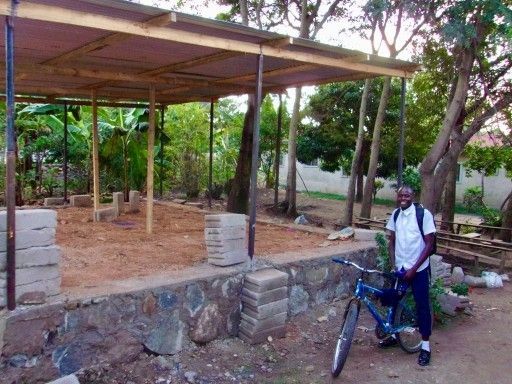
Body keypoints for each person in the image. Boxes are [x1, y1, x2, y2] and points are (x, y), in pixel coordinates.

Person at [382, 185, 436, 366]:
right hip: (401, 268)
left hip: (418, 270)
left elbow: (429, 244)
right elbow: (391, 240)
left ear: (412, 197)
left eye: (407, 195)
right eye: (401, 195)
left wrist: (414, 269)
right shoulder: (396, 214)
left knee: (422, 306)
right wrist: (393, 264)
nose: (403, 197)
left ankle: (426, 347)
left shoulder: (423, 215)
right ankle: (393, 335)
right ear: (397, 197)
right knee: (394, 301)